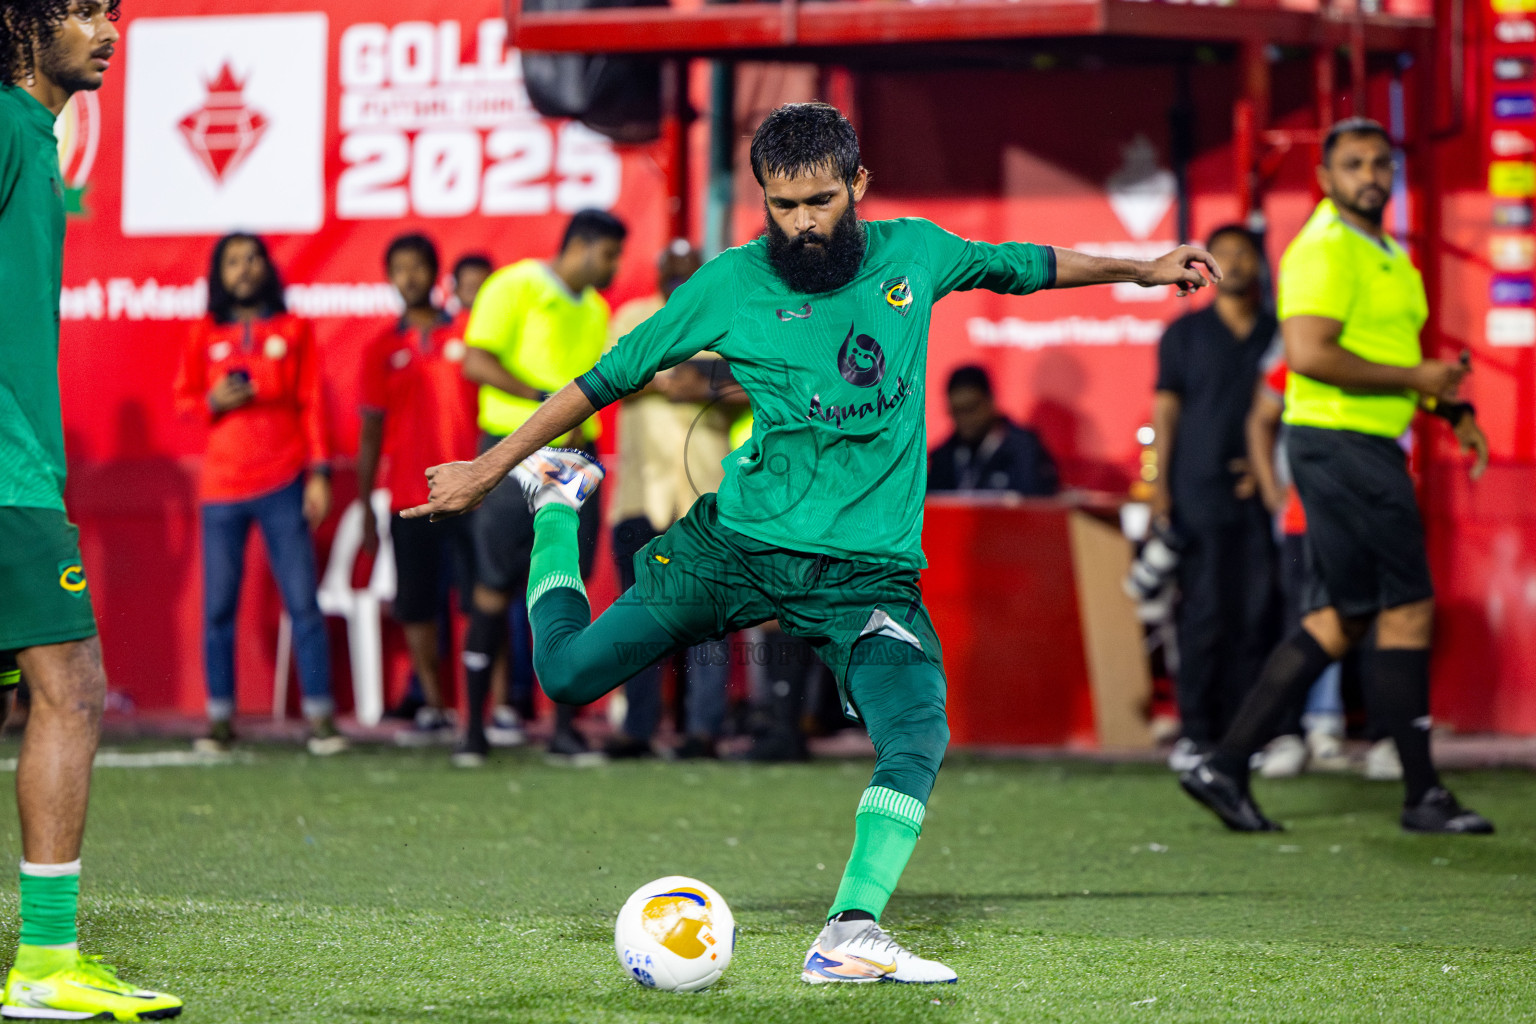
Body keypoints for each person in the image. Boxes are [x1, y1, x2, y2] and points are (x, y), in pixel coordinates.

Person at [406, 102, 1220, 982]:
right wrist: (492, 468)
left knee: (917, 730)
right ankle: (558, 502)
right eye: (782, 205)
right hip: (737, 550)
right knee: (564, 676)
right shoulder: (730, 283)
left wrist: (1140, 267)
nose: (801, 223)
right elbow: (602, 380)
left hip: (865, 578)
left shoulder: (917, 252)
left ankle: (850, 932)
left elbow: (1029, 266)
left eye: (820, 202)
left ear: (859, 185)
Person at [1179, 117, 1494, 835]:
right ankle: (1422, 794)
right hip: (1341, 444)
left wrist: (1450, 409)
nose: (1371, 175)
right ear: (1325, 178)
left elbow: (1384, 353)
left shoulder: (1387, 253)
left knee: (1343, 616)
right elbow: (1312, 355)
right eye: (1355, 164)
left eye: (1382, 162)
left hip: (1365, 442)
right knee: (1407, 604)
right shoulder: (1322, 249)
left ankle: (1225, 765)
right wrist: (1419, 376)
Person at [0, 1, 182, 1017]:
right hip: (5, 474)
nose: (107, 28)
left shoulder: (32, 133)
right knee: (71, 685)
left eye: (113, 10)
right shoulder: (1, 124)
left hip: (20, 468)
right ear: (22, 21)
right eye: (81, 9)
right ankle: (45, 964)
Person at [455, 210, 626, 766]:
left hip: (577, 460)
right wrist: (545, 402)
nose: (614, 267)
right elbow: (476, 362)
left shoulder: (597, 310)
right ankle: (474, 731)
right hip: (512, 451)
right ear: (580, 246)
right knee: (493, 587)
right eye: (609, 254)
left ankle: (563, 731)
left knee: (564, 585)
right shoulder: (514, 285)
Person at [173, 233, 344, 757]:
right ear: (218, 274)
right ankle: (220, 719)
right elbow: (183, 400)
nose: (244, 269)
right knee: (219, 607)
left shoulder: (294, 329)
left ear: (267, 269)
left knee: (303, 604)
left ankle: (320, 718)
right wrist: (212, 399)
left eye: (252, 259)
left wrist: (318, 474)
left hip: (283, 480)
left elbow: (313, 401)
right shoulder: (202, 332)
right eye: (232, 261)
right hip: (222, 487)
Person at [1150, 225, 1280, 772]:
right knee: (1203, 612)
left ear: (1258, 263)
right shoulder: (1184, 335)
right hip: (1196, 489)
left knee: (1255, 614)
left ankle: (1243, 737)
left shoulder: (1277, 333)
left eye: (1243, 253)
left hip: (1257, 493)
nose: (1233, 262)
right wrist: (1159, 486)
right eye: (1222, 253)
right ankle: (1197, 732)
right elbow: (1166, 411)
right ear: (1206, 265)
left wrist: (1266, 470)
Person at [604, 239, 740, 760]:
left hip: (704, 495)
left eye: (689, 269)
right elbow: (613, 379)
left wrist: (701, 384)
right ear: (658, 271)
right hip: (640, 493)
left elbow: (751, 385)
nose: (679, 277)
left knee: (707, 618)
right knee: (636, 618)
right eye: (671, 268)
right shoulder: (634, 315)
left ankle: (703, 729)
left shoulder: (725, 317)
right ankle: (637, 727)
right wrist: (671, 380)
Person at [357, 234, 479, 746]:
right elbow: (370, 432)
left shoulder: (470, 333)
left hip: (474, 489)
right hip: (411, 497)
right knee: (417, 603)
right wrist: (365, 504)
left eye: (418, 267)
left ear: (436, 273)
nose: (409, 277)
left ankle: (485, 711)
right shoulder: (380, 348)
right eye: (398, 269)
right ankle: (433, 704)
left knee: (478, 600)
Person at [927, 364, 1057, 495]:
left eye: (971, 408)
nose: (964, 418)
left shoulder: (1025, 450)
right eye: (956, 411)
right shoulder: (941, 457)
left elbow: (1039, 506)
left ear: (991, 401)